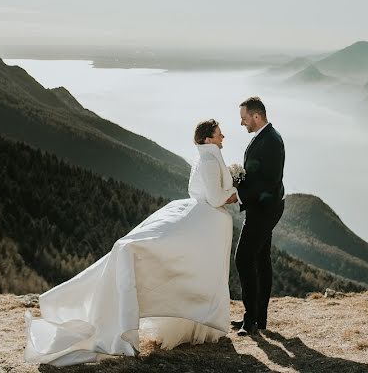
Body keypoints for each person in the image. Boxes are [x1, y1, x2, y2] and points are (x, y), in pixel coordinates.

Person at [24, 119, 238, 366]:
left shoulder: (204, 157)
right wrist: (233, 194)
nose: (223, 137)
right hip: (206, 222)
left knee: (193, 270)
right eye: (219, 134)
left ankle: (196, 321)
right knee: (195, 270)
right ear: (208, 139)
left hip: (205, 221)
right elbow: (213, 197)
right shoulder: (210, 159)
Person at [232, 96, 285, 336]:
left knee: (243, 259)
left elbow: (269, 181)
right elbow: (257, 174)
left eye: (244, 118)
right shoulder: (264, 137)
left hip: (265, 210)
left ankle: (250, 319)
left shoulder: (271, 140)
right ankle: (257, 319)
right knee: (261, 261)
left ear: (256, 116)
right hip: (263, 208)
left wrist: (238, 195)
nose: (242, 123)